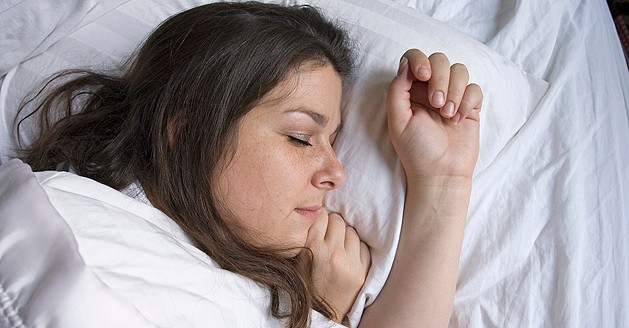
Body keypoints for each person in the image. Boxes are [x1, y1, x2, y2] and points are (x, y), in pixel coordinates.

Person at [15, 1, 482, 327]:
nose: (335, 174)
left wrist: (443, 181)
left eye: (334, 142)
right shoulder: (73, 226)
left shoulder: (227, 273)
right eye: (301, 138)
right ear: (188, 131)